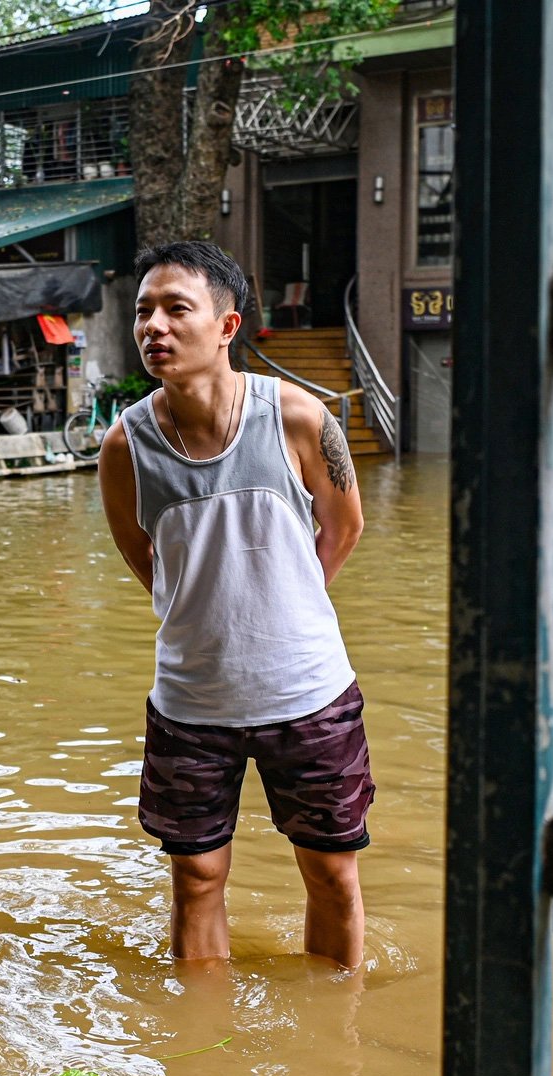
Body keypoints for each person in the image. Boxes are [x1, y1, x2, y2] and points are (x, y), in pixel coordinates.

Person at [96, 241, 372, 968]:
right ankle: (199, 1049)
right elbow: (142, 554)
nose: (154, 325)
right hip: (191, 701)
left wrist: (285, 611)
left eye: (175, 309)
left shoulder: (300, 417)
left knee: (333, 875)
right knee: (195, 878)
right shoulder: (124, 445)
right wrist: (210, 614)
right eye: (143, 311)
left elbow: (345, 527)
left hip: (309, 692)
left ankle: (335, 1043)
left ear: (226, 326)